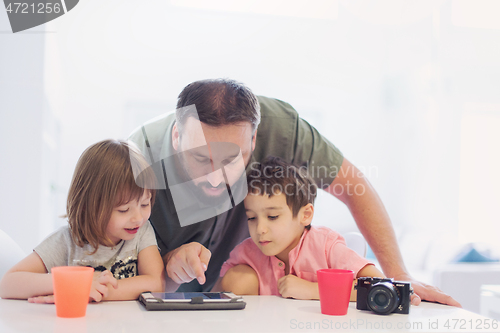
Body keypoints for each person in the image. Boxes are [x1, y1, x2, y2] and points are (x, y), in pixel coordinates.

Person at [128, 78, 460, 306]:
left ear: (255, 140)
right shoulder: (133, 161)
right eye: (200, 159)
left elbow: (355, 187)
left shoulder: (283, 129)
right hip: (168, 301)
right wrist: (167, 262)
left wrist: (399, 277)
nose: (216, 178)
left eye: (233, 159)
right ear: (175, 138)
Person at [0, 139, 165, 302]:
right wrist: (71, 284)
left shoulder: (141, 232)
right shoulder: (67, 240)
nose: (138, 217)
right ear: (88, 205)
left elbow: (156, 283)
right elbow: (8, 284)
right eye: (123, 210)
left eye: (145, 204)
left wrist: (100, 292)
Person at [216, 157, 385, 300]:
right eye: (252, 218)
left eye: (272, 217)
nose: (260, 229)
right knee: (237, 279)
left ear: (305, 215)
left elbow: (380, 285)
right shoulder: (246, 252)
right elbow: (216, 294)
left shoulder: (326, 246)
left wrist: (313, 290)